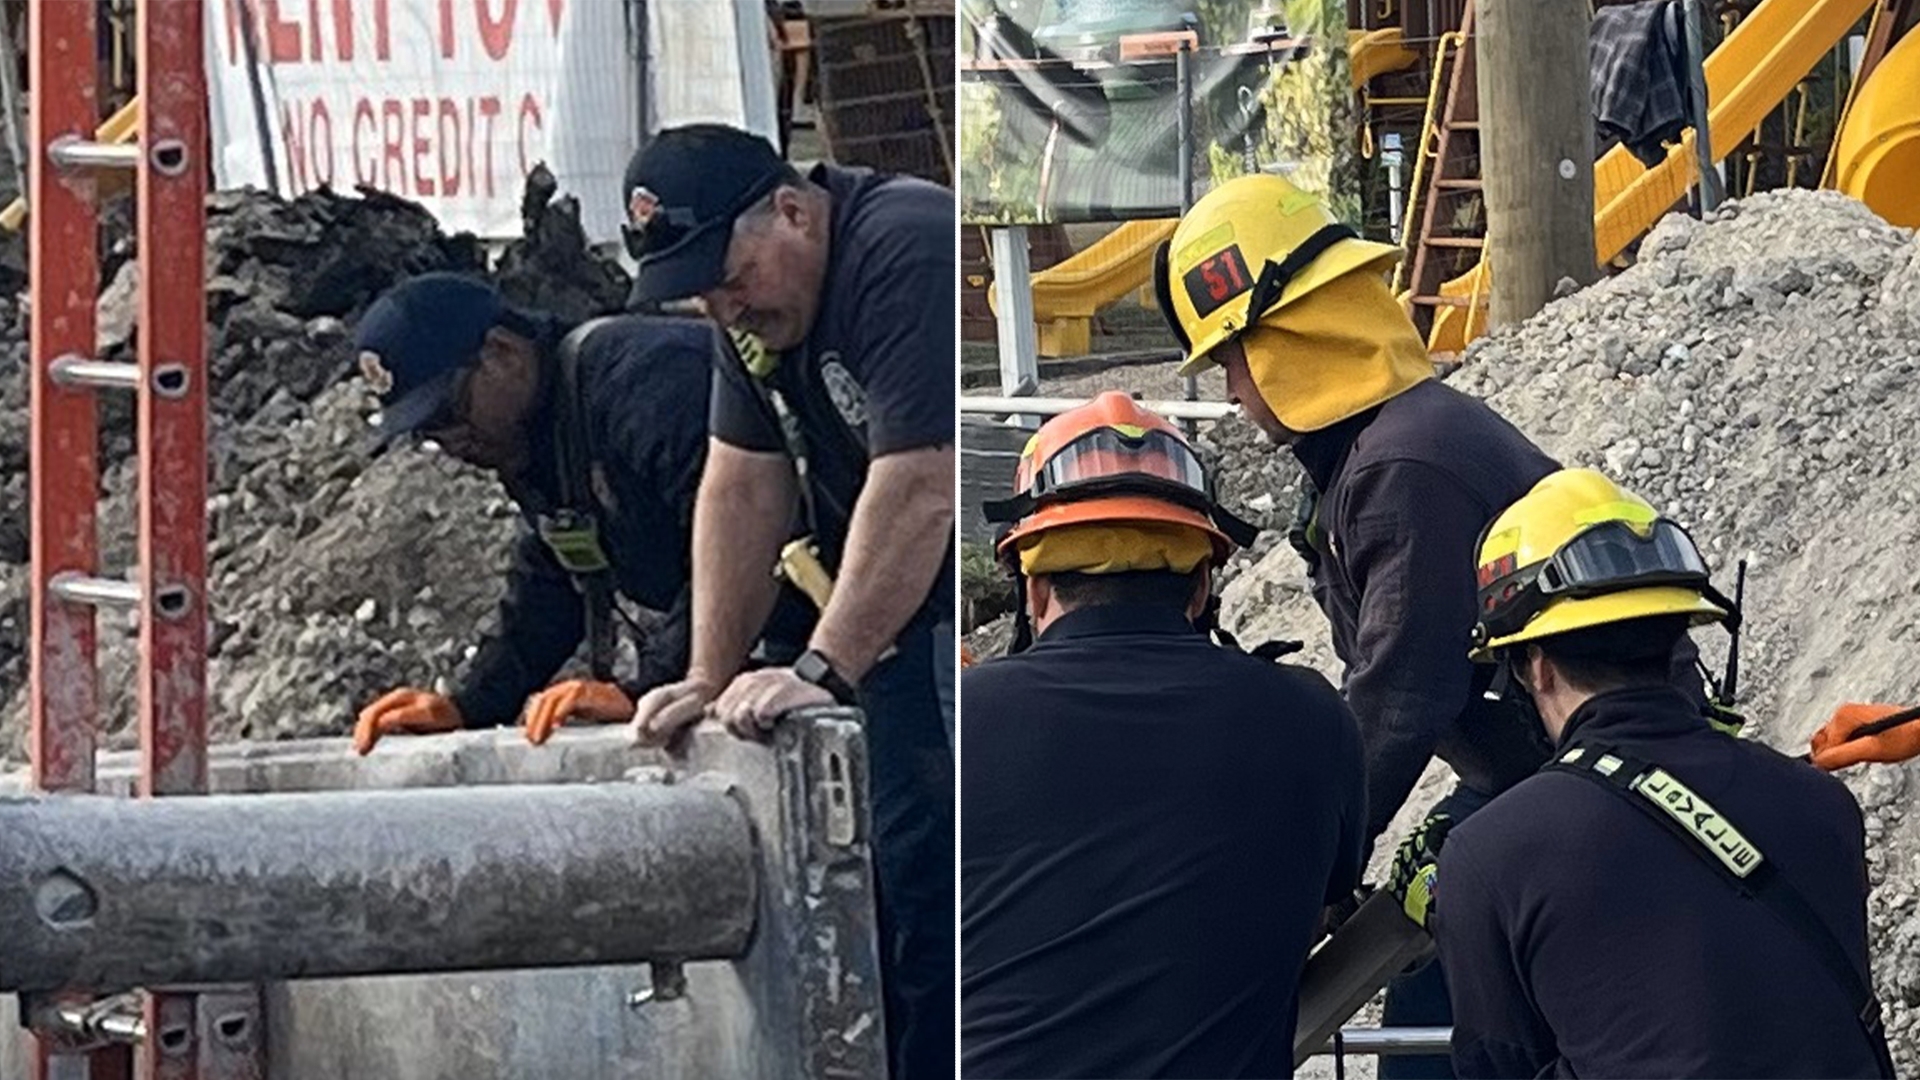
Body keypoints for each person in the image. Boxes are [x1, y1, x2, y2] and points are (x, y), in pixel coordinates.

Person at [1151, 172, 1566, 1076]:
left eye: (1231, 358)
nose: (1228, 390)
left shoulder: (1401, 469)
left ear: (1288, 338)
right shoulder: (1387, 447)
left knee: (1439, 1023)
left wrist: (1313, 877)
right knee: (1420, 969)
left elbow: (1398, 697)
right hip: (1534, 773)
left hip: (1568, 787)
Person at [621, 124, 956, 1080]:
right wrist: (705, 674)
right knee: (884, 891)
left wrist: (822, 665)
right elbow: (740, 485)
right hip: (893, 622)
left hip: (956, 615)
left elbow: (923, 481)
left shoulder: (904, 247)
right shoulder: (756, 315)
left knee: (933, 895)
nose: (723, 305)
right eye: (704, 292)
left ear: (795, 212)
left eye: (729, 276)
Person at [1416, 467, 1892, 1079]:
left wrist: (1456, 904)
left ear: (1533, 666)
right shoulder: (1824, 804)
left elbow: (1499, 1067)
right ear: (1675, 638)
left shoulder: (1490, 853)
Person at [962, 393, 1366, 1078]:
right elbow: (1328, 903)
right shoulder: (1311, 718)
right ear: (1203, 583)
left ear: (1032, 587)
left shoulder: (963, 722)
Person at [348, 273, 814, 753]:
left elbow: (748, 537)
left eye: (448, 413)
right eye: (429, 432)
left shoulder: (645, 385)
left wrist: (651, 687)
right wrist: (471, 706)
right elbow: (554, 576)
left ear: (502, 352)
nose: (451, 443)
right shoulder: (536, 433)